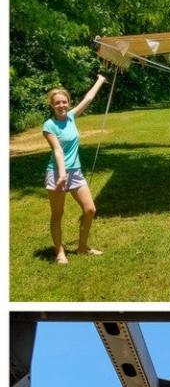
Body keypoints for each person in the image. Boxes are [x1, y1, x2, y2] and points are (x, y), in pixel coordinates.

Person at [42, 75, 108, 265]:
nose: (61, 105)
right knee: (57, 214)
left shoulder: (71, 117)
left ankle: (82, 247)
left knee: (89, 209)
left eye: (64, 102)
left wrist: (100, 80)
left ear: (68, 103)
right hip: (56, 174)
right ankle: (60, 252)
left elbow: (88, 99)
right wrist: (62, 174)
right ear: (52, 105)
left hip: (75, 172)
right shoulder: (49, 125)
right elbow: (57, 150)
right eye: (57, 103)